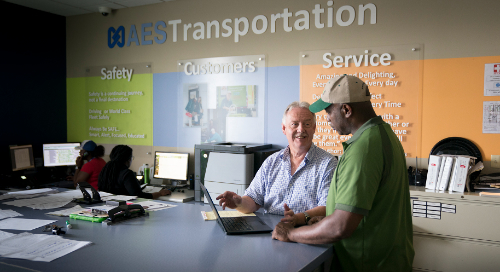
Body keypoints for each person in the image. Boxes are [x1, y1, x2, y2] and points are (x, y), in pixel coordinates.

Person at [272, 75, 414, 272]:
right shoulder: (384, 134)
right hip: (389, 258)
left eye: (329, 111)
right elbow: (367, 206)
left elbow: (340, 227)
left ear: (346, 110)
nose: (327, 118)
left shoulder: (363, 149)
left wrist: (291, 234)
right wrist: (326, 218)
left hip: (367, 264)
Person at [216, 101, 337, 226]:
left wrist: (297, 218)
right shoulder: (271, 162)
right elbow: (253, 199)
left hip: (307, 234)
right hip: (269, 234)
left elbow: (327, 207)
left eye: (307, 124)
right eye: (294, 124)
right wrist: (239, 203)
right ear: (284, 128)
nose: (301, 129)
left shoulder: (328, 164)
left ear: (314, 128)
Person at [98, 145, 171, 199]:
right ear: (128, 159)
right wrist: (159, 193)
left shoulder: (106, 170)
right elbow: (139, 196)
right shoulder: (127, 173)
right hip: (124, 208)